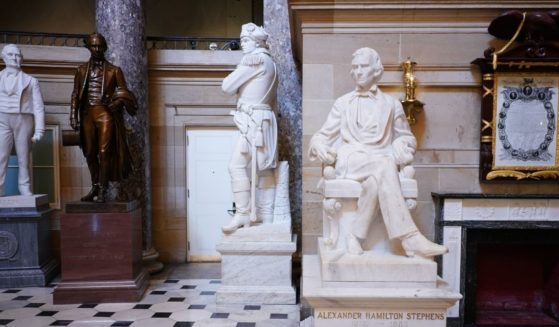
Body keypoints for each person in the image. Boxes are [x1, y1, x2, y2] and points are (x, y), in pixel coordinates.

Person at [309, 47, 447, 258]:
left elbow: (405, 136)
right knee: (384, 165)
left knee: (376, 180)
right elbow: (322, 135)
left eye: (363, 67)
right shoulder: (343, 103)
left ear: (376, 71)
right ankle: (410, 238)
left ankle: (355, 235)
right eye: (355, 68)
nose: (358, 72)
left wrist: (402, 145)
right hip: (351, 158)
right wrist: (318, 145)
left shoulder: (391, 105)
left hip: (379, 159)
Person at [221, 23, 278, 233]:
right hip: (259, 119)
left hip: (255, 122)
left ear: (256, 42)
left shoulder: (255, 59)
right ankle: (263, 217)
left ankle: (244, 214)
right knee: (262, 169)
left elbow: (227, 86)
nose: (242, 44)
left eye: (245, 40)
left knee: (237, 166)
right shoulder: (270, 61)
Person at [70, 32, 137, 203]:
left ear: (105, 47)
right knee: (90, 153)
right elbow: (76, 94)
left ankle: (103, 189)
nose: (97, 49)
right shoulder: (81, 70)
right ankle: (94, 186)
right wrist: (72, 115)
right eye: (93, 45)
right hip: (87, 114)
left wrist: (116, 104)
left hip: (105, 114)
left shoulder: (115, 71)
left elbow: (125, 94)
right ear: (89, 47)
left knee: (104, 151)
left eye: (100, 46)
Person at [0, 44, 45, 197]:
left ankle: (24, 187)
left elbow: (38, 106)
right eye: (11, 55)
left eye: (18, 55)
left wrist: (40, 129)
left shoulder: (31, 81)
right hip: (2, 119)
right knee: (1, 155)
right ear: (4, 57)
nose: (15, 58)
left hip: (23, 119)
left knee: (23, 156)